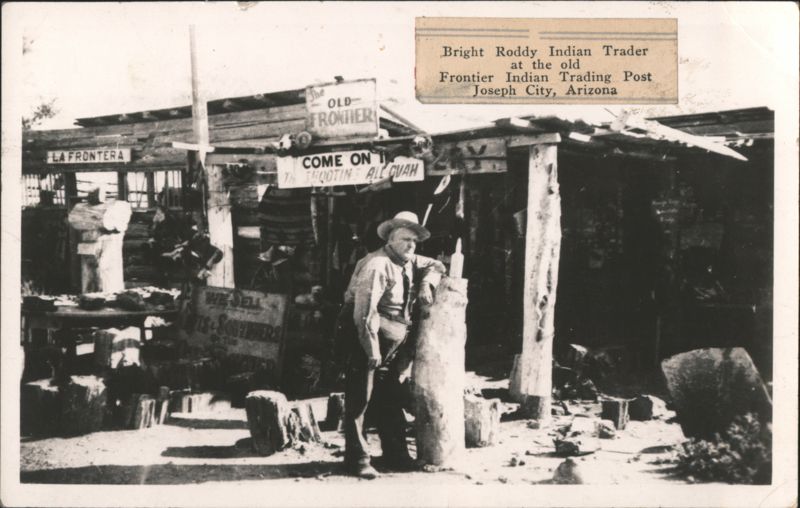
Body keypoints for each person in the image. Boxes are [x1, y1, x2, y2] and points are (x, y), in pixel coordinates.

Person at [340, 211, 446, 479]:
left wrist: (426, 284)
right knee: (360, 397)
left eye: (414, 240)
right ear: (390, 239)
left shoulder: (408, 260)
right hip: (366, 335)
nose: (411, 245)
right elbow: (364, 312)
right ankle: (357, 459)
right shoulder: (377, 265)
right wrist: (371, 348)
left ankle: (396, 455)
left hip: (394, 338)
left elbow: (436, 264)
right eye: (405, 239)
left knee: (390, 395)